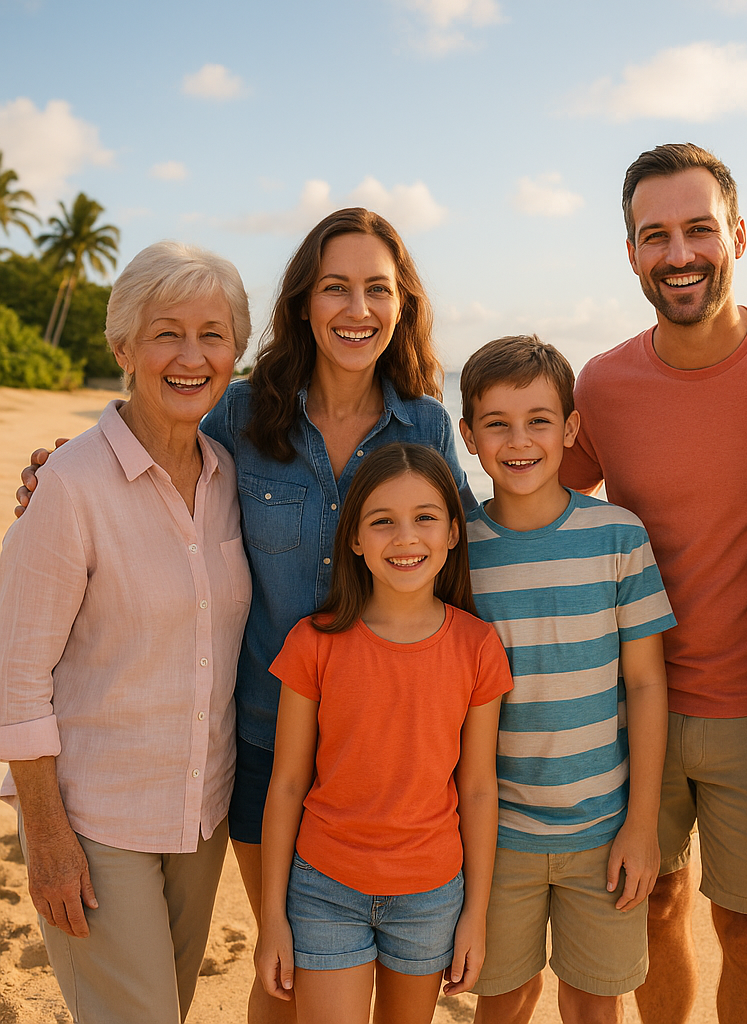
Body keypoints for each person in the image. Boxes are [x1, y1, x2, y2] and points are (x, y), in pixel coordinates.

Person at [15, 208, 475, 1024]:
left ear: (402, 304)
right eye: (336, 287)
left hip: (384, 757)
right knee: (286, 965)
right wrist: (58, 469)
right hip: (263, 744)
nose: (357, 308)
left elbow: (462, 564)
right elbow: (147, 437)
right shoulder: (242, 414)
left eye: (377, 289)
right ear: (302, 302)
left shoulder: (428, 426)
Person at [559, 144, 747, 1023]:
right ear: (630, 253)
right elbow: (543, 509)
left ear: (737, 233)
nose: (679, 254)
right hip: (636, 704)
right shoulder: (605, 384)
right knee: (652, 904)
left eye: (699, 229)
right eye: (654, 235)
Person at [0, 241, 252, 1024]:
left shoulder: (229, 475)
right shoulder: (69, 485)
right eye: (165, 332)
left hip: (201, 812)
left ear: (235, 352)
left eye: (213, 333)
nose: (191, 355)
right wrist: (44, 837)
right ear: (123, 348)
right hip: (95, 820)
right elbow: (13, 677)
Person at [458, 335, 676, 1024]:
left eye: (539, 421)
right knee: (504, 999)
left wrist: (643, 823)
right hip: (496, 836)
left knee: (593, 1002)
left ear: (572, 428)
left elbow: (644, 685)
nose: (519, 441)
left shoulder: (618, 537)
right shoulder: (455, 552)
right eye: (496, 424)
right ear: (467, 435)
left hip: (603, 828)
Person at [255, 443, 510, 1024]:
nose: (405, 538)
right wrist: (273, 918)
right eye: (382, 521)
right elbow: (288, 783)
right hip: (325, 888)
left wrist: (475, 913)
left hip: (431, 894)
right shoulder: (313, 643)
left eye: (425, 518)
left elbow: (477, 790)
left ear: (452, 533)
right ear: (353, 538)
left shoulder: (477, 648)